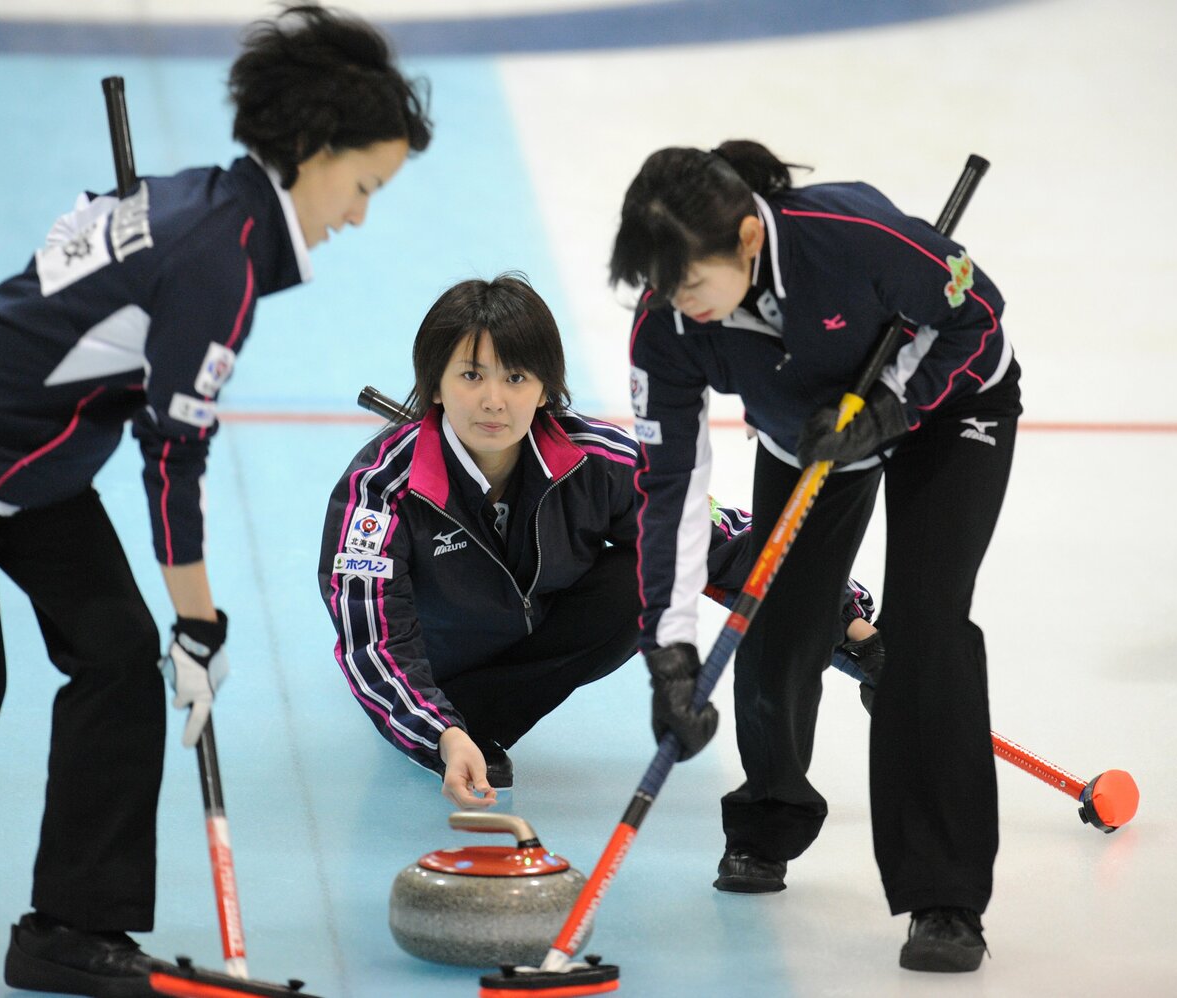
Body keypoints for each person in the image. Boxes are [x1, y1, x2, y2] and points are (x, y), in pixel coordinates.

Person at [0, 6, 430, 996]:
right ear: (313, 152)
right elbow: (172, 453)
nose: (358, 214)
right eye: (363, 185)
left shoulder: (202, 207)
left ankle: (69, 928)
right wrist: (200, 621)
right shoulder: (214, 258)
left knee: (113, 656)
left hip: (37, 470)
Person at [611, 140, 1021, 973]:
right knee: (779, 626)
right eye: (661, 285)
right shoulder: (667, 329)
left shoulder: (849, 238)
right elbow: (673, 492)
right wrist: (672, 651)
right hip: (807, 436)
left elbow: (977, 315)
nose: (678, 306)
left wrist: (892, 407)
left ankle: (944, 896)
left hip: (949, 407)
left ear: (747, 240)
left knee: (925, 631)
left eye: (691, 282)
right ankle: (769, 816)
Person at [316, 275, 876, 810]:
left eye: (515, 378)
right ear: (434, 383)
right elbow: (372, 641)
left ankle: (480, 721)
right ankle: (460, 728)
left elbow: (706, 538)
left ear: (544, 389)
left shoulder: (594, 460)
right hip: (429, 671)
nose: (493, 401)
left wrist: (843, 623)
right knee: (432, 703)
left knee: (650, 568)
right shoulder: (381, 490)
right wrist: (440, 733)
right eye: (470, 376)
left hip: (533, 639)